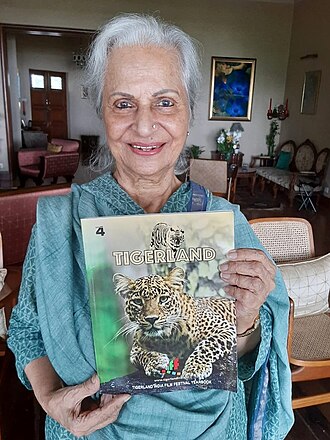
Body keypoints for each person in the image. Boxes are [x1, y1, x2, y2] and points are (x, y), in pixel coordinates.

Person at [8, 13, 294, 439]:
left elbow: (255, 356)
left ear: (188, 112)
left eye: (165, 102)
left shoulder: (225, 222)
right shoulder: (62, 222)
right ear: (102, 112)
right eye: (123, 103)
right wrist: (51, 398)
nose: (144, 125)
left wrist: (248, 317)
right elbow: (27, 331)